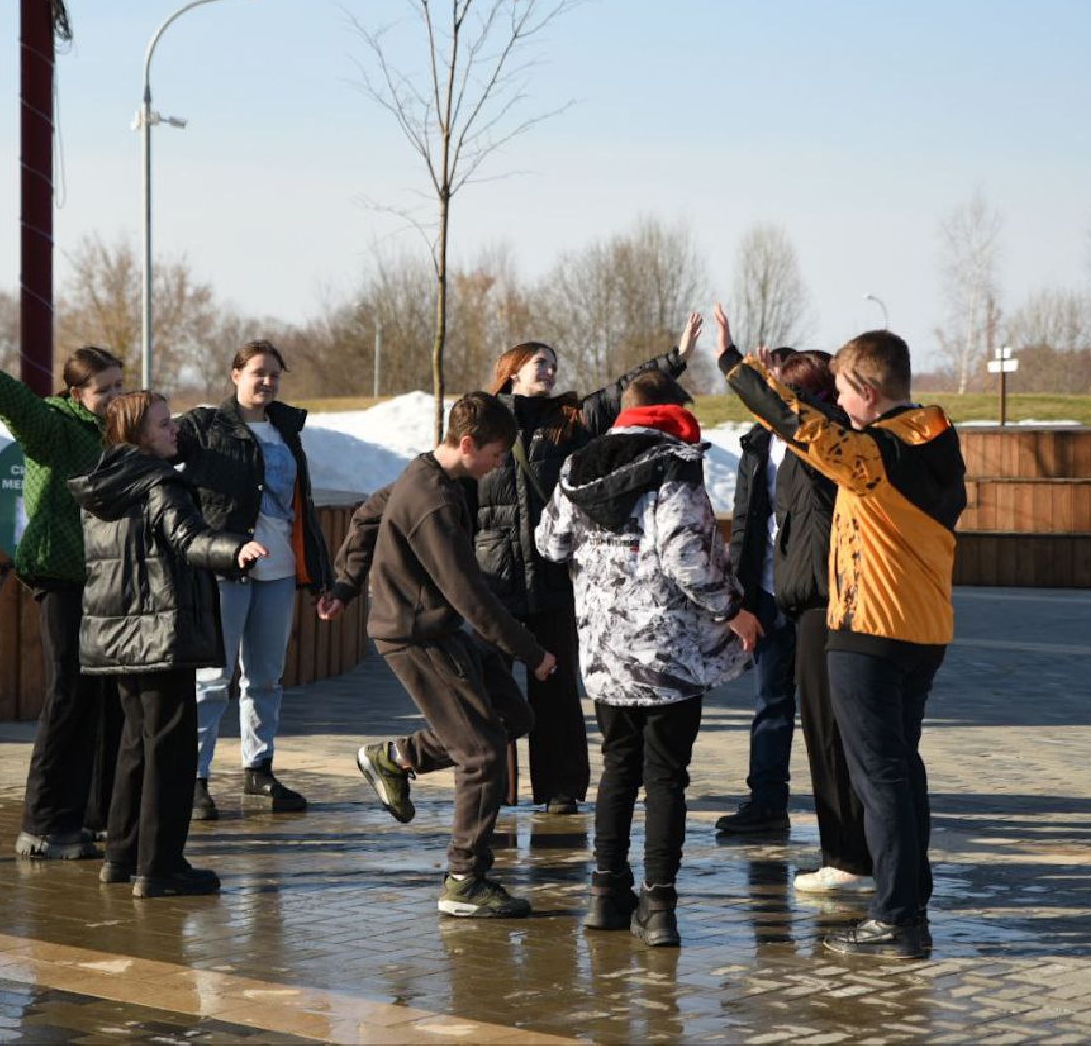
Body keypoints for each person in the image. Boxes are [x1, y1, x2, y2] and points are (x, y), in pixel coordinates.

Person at [718, 306, 966, 959]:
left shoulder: (872, 455)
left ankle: (896, 917)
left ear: (867, 391)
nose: (838, 403)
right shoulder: (936, 443)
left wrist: (736, 368)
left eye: (844, 390)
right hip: (924, 631)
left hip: (867, 629)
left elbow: (802, 429)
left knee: (878, 775)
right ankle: (908, 898)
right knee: (902, 770)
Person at [535, 370, 759, 947]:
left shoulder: (579, 466)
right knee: (666, 780)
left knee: (617, 771)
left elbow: (548, 542)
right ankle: (658, 906)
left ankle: (605, 894)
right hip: (668, 656)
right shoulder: (674, 463)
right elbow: (685, 552)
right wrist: (732, 609)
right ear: (670, 409)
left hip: (606, 654)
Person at [317, 393, 556, 918]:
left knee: (513, 716)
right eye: (496, 453)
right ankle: (464, 880)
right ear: (467, 443)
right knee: (483, 755)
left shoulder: (423, 473)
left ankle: (395, 758)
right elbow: (468, 594)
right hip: (415, 636)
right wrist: (530, 651)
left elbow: (367, 515)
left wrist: (346, 582)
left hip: (436, 628)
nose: (500, 463)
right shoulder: (436, 502)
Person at [478, 317, 701, 813]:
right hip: (497, 578)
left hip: (556, 578)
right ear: (512, 370)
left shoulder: (572, 419)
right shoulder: (485, 420)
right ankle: (494, 789)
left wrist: (675, 356)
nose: (550, 370)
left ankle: (562, 789)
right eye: (540, 362)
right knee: (493, 690)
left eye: (554, 364)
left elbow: (625, 391)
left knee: (556, 689)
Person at [0, 331, 125, 861]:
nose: (114, 396)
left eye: (119, 386)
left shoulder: (117, 434)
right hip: (61, 576)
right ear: (76, 393)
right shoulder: (57, 428)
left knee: (105, 699)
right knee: (69, 695)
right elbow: (23, 411)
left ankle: (95, 815)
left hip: (105, 579)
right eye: (103, 389)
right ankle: (43, 824)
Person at [68, 391, 264, 898]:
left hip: (114, 636)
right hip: (159, 633)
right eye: (162, 423)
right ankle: (161, 867)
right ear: (137, 433)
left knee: (135, 744)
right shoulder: (159, 482)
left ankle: (122, 856)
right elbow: (188, 539)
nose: (173, 428)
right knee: (169, 751)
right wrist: (235, 549)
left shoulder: (103, 485)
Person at [177, 340, 329, 819]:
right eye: (258, 372)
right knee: (212, 679)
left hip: (279, 569)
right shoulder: (205, 426)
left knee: (265, 677)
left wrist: (320, 573)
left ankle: (257, 770)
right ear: (235, 374)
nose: (267, 382)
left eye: (274, 375)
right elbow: (156, 458)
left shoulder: (287, 428)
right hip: (226, 567)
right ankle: (193, 779)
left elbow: (301, 507)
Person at [748, 345, 874, 894]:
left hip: (830, 605)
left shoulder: (823, 450)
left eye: (783, 395)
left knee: (833, 736)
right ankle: (846, 853)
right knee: (824, 732)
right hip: (805, 605)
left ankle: (850, 858)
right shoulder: (803, 454)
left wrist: (737, 368)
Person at [715, 343, 801, 838]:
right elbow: (747, 523)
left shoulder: (818, 443)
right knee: (770, 701)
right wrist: (743, 597)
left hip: (814, 596)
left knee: (828, 707)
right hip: (768, 596)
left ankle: (847, 809)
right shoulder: (755, 444)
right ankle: (767, 801)